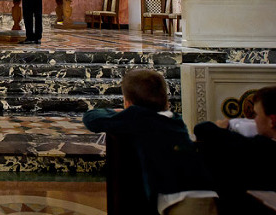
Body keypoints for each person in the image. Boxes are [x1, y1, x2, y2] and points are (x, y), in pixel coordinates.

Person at [83, 69, 218, 215]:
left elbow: (92, 118)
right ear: (166, 101)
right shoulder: (174, 119)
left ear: (128, 103)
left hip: (181, 198)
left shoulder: (137, 117)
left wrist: (121, 113)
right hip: (205, 190)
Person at [194, 86, 276, 213]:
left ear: (272, 121)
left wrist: (221, 127)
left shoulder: (260, 149)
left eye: (257, 115)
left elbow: (202, 129)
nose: (254, 120)